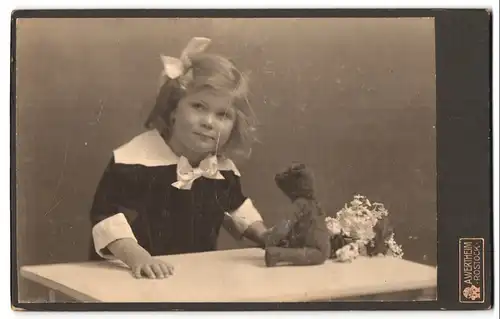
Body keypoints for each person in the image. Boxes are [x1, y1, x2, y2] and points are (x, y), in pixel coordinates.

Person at [88, 37, 269, 280]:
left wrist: (266, 237)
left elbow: (235, 208)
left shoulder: (221, 169)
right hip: (130, 273)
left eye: (222, 115)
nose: (208, 122)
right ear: (173, 110)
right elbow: (107, 216)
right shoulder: (135, 161)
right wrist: (136, 256)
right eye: (198, 107)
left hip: (190, 275)